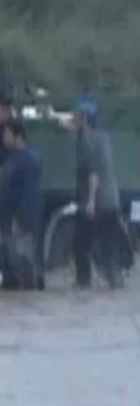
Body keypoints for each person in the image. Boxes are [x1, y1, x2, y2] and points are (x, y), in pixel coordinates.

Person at [54, 98, 126, 288]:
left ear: (85, 118)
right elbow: (68, 126)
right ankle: (113, 280)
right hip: (110, 201)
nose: (75, 119)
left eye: (78, 116)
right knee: (105, 244)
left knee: (83, 243)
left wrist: (91, 203)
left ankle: (86, 281)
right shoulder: (100, 137)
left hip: (97, 202)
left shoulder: (88, 140)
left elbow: (94, 173)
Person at [0, 120, 44, 290]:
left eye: (6, 134)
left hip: (21, 221)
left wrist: (19, 220)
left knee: (25, 262)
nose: (3, 138)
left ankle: (28, 297)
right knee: (3, 261)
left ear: (17, 135)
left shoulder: (28, 159)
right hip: (7, 220)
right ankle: (15, 299)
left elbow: (28, 195)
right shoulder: (13, 156)